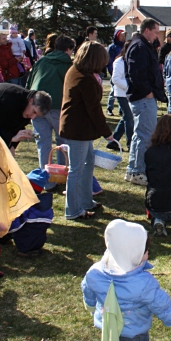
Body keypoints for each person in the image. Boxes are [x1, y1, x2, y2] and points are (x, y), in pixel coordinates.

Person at [82, 219, 171, 341]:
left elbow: (87, 289)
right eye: (145, 251)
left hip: (109, 329)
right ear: (133, 254)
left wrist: (91, 306)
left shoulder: (95, 272)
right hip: (135, 333)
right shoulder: (144, 282)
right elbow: (160, 304)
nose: (148, 254)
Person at [59, 41, 114, 220]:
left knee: (88, 162)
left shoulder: (76, 71)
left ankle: (85, 200)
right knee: (76, 170)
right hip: (78, 129)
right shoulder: (85, 79)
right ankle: (73, 210)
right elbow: (94, 110)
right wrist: (107, 132)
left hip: (79, 127)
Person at [25, 35, 74, 187]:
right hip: (57, 106)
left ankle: (47, 181)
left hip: (35, 105)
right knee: (63, 143)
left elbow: (29, 82)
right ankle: (62, 175)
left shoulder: (41, 61)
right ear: (68, 50)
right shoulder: (68, 65)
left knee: (43, 144)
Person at [124, 19, 167, 186]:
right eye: (155, 32)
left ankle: (133, 169)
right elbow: (136, 74)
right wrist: (148, 92)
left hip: (143, 97)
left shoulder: (141, 45)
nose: (157, 36)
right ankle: (138, 170)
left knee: (139, 134)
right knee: (145, 135)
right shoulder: (139, 47)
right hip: (142, 98)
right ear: (147, 30)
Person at [8, 169, 54, 258]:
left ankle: (25, 251)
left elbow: (16, 225)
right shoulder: (45, 205)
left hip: (24, 243)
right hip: (40, 242)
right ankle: (35, 249)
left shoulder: (26, 206)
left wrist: (3, 228)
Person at [109, 40, 134, 151]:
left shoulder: (132, 61)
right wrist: (129, 86)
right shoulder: (119, 62)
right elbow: (115, 79)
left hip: (129, 94)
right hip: (121, 94)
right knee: (129, 118)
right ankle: (130, 144)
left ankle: (113, 141)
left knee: (126, 118)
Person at [106, 30, 126, 114]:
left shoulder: (125, 46)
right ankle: (109, 108)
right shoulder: (112, 47)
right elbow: (109, 61)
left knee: (122, 91)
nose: (123, 38)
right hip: (115, 71)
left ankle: (122, 109)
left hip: (123, 72)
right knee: (113, 91)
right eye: (121, 36)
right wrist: (112, 71)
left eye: (124, 36)